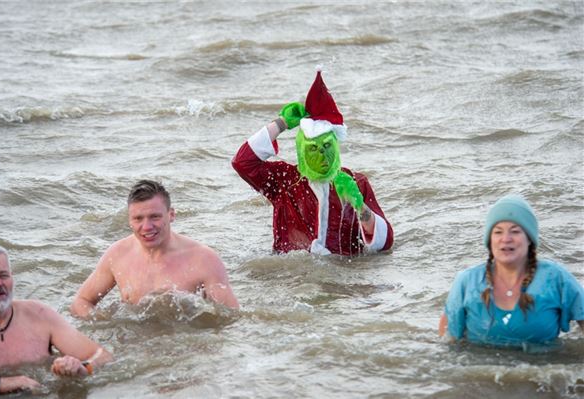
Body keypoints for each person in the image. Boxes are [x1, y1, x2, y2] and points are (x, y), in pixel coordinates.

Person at [232, 70, 393, 256]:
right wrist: (282, 123)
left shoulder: (355, 183)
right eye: (313, 149)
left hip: (343, 276)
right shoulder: (284, 181)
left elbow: (386, 244)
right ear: (301, 151)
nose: (322, 156)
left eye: (327, 147)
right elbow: (243, 162)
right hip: (294, 277)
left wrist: (360, 206)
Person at [70, 179, 239, 318]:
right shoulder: (118, 254)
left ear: (171, 215)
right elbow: (81, 301)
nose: (147, 227)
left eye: (154, 217)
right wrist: (104, 324)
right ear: (129, 220)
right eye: (138, 219)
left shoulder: (204, 260)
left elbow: (231, 317)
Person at [439, 194, 584, 347]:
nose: (506, 238)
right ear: (490, 240)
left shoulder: (556, 278)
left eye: (515, 231)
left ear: (529, 239)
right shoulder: (467, 281)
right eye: (498, 232)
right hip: (482, 368)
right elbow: (448, 342)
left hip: (543, 366)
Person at [0, 243, 113, 395]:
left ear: (12, 278)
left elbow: (104, 356)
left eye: (3, 275)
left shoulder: (40, 315)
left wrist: (83, 367)